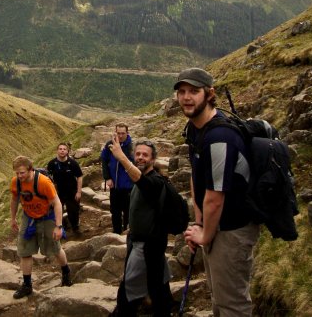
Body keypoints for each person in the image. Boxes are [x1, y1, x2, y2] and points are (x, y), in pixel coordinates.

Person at [176, 67, 260, 316]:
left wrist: (205, 234)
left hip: (233, 229)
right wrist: (198, 223)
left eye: (194, 91)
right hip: (215, 225)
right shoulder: (194, 129)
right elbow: (196, 175)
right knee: (218, 296)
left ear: (209, 94)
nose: (186, 97)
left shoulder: (220, 137)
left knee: (232, 303)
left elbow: (215, 197)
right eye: (181, 92)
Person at [109, 137, 174, 316]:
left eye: (145, 155)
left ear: (153, 159)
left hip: (146, 245)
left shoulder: (155, 181)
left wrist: (122, 158)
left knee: (127, 292)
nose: (140, 157)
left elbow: (143, 184)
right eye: (137, 154)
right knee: (159, 286)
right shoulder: (142, 179)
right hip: (143, 241)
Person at [10, 155, 73, 299]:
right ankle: (27, 285)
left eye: (22, 173)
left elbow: (57, 203)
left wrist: (59, 226)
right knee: (24, 251)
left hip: (47, 217)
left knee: (55, 248)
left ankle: (66, 273)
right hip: (29, 217)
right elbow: (14, 199)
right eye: (17, 173)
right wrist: (13, 218)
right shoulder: (16, 183)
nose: (19, 176)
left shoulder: (43, 182)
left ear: (30, 169)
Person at [100, 123, 134, 234]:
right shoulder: (110, 144)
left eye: (123, 133)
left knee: (128, 210)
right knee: (115, 211)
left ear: (127, 133)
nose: (120, 136)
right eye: (118, 133)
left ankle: (127, 232)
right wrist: (107, 178)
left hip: (128, 185)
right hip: (114, 184)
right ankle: (117, 231)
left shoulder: (131, 146)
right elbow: (104, 160)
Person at [47, 142, 84, 233]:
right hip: (57, 192)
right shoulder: (52, 163)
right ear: (57, 151)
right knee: (57, 211)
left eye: (64, 149)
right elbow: (47, 178)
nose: (62, 151)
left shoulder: (72, 163)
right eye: (60, 149)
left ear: (67, 151)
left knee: (74, 211)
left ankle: (75, 228)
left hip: (71, 191)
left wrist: (79, 192)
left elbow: (79, 176)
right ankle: (60, 228)